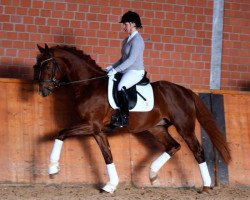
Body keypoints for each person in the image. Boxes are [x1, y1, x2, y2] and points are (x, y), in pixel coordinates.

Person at [105, 11, 145, 127]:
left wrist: (116, 70)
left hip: (135, 71)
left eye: (125, 24)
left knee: (121, 86)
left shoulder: (138, 40)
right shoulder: (126, 40)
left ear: (133, 24)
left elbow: (131, 60)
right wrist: (112, 67)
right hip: (126, 69)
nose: (123, 27)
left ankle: (124, 117)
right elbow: (123, 59)